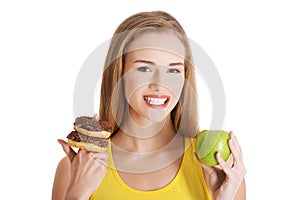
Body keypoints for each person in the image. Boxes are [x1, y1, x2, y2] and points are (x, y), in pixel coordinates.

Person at [52, 11, 246, 200]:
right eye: (144, 68)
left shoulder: (219, 168)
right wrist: (75, 197)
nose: (160, 83)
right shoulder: (77, 168)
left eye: (173, 70)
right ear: (119, 74)